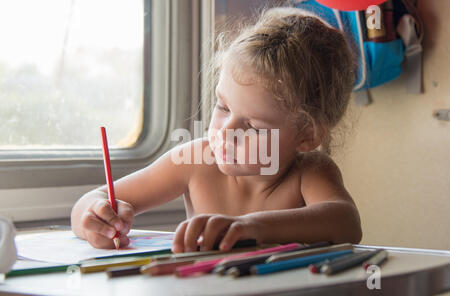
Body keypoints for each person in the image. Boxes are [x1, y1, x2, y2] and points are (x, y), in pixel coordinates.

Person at [71, 7, 362, 253]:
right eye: (223, 107)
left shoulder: (310, 172)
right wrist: (96, 217)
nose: (226, 132)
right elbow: (92, 199)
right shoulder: (195, 161)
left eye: (252, 126)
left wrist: (252, 227)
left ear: (306, 136)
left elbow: (347, 223)